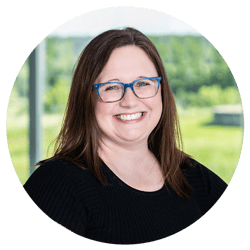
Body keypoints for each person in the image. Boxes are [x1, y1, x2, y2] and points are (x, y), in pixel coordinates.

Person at [23, 28, 228, 245]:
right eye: (112, 87)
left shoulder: (191, 175)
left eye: (143, 83)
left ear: (162, 92)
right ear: (86, 98)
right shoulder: (57, 183)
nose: (129, 101)